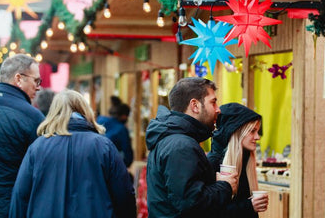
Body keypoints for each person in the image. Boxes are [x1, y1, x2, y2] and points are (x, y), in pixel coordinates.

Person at [9, 89, 136, 218]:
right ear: (85, 111)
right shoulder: (103, 146)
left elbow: (20, 195)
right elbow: (124, 194)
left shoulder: (37, 147)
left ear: (54, 112)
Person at [146, 77, 238, 218]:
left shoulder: (174, 138)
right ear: (195, 105)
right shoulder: (181, 145)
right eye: (213, 102)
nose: (218, 109)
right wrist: (225, 186)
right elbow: (191, 203)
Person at [0, 54, 44, 217]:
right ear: (18, 79)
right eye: (36, 81)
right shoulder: (33, 117)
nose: (38, 87)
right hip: (12, 207)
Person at [208, 103, 269, 218]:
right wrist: (249, 206)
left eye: (257, 131)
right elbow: (209, 212)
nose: (257, 137)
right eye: (252, 131)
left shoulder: (246, 160)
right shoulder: (212, 163)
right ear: (236, 132)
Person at [97, 101, 134, 167]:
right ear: (123, 116)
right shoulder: (121, 129)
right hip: (110, 164)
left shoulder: (99, 120)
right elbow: (127, 152)